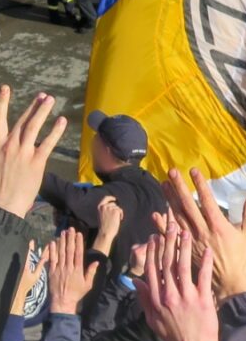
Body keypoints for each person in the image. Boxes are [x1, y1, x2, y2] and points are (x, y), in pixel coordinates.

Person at [39, 110, 164, 264]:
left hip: (114, 285)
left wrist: (32, 172)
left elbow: (76, 200)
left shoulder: (122, 192)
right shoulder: (151, 184)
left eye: (96, 136)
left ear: (106, 150)